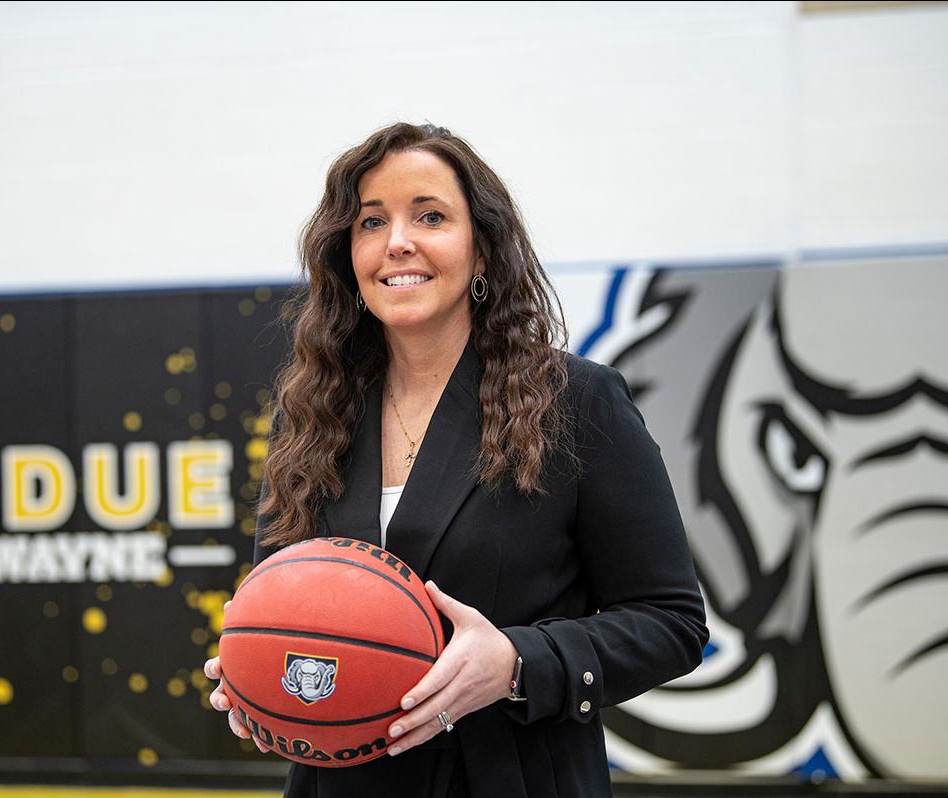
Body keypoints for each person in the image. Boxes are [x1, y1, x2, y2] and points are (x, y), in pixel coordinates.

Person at [203, 121, 708, 797]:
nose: (398, 242)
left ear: (483, 252)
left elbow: (670, 621)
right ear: (348, 256)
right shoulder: (314, 412)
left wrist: (516, 663)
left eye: (431, 216)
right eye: (371, 222)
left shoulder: (575, 402)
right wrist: (261, 673)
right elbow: (280, 597)